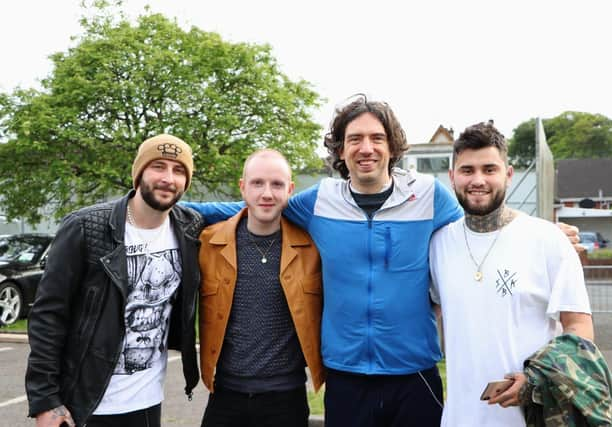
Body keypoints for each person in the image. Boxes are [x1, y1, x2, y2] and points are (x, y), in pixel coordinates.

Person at [184, 95, 581, 426]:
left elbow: (484, 221)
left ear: (393, 147)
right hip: (345, 375)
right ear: (340, 149)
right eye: (354, 138)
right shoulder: (319, 201)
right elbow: (257, 203)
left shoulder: (428, 196)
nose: (366, 147)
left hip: (414, 376)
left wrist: (544, 234)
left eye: (377, 137)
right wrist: (173, 211)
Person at [429, 121, 612, 426]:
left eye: (489, 169)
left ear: (509, 174)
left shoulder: (547, 240)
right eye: (467, 170)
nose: (478, 180)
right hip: (460, 418)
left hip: (531, 417)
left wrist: (535, 380)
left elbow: (579, 327)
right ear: (451, 177)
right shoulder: (438, 245)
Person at [25, 134, 203, 427]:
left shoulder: (189, 226)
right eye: (158, 166)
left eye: (179, 170)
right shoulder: (86, 226)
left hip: (147, 401)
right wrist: (45, 400)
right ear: (139, 173)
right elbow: (47, 315)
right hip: (83, 404)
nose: (168, 178)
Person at [198, 149, 324, 427]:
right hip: (225, 393)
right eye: (257, 183)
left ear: (290, 189)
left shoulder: (312, 247)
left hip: (286, 398)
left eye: (277, 184)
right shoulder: (208, 243)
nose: (267, 193)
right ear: (242, 187)